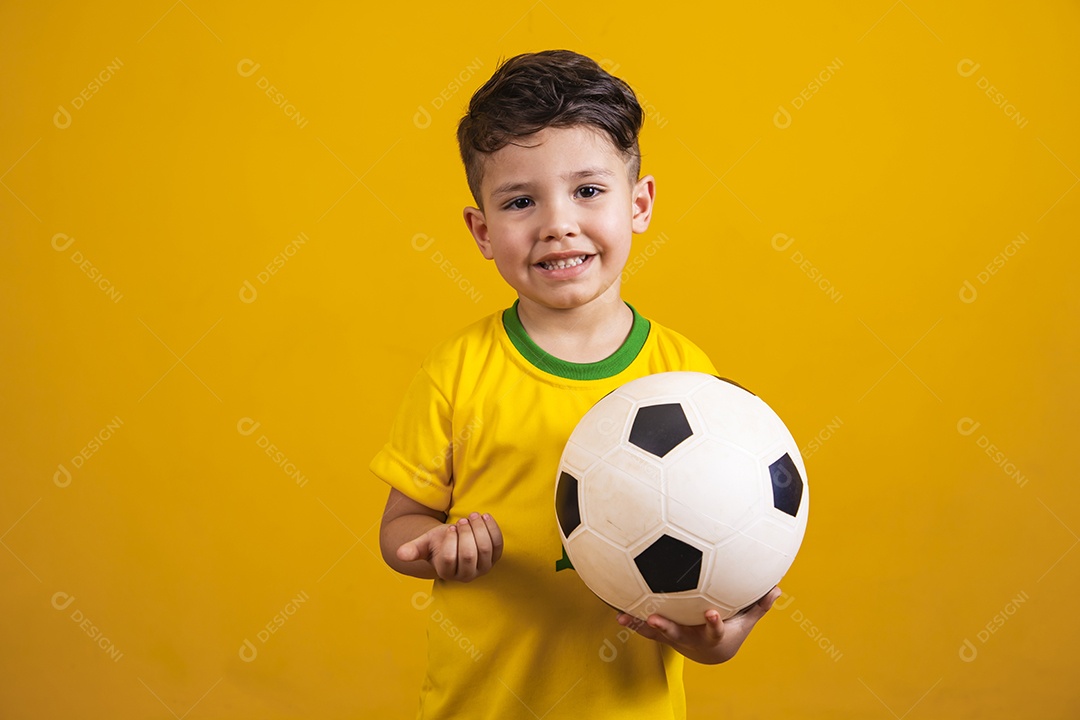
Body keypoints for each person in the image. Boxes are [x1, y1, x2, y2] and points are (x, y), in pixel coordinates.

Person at [371, 49, 780, 720]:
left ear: (640, 204)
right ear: (481, 230)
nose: (557, 223)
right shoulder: (456, 371)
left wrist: (714, 640)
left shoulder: (687, 382)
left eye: (588, 191)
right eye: (521, 201)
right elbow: (400, 528)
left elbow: (717, 560)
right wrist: (436, 547)